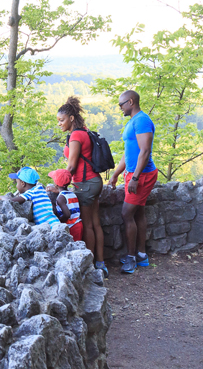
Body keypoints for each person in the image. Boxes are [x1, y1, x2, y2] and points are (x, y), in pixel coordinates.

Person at [57, 96, 108, 277]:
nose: (59, 124)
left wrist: (58, 184)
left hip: (84, 184)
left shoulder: (76, 135)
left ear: (71, 118)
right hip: (94, 181)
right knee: (96, 223)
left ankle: (92, 267)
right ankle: (101, 263)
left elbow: (71, 166)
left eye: (61, 120)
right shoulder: (84, 131)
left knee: (87, 225)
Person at [108, 90, 158, 274]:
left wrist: (135, 178)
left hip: (142, 174)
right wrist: (116, 174)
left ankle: (131, 259)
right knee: (138, 213)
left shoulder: (142, 120)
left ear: (130, 102)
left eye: (121, 104)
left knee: (126, 214)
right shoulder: (133, 122)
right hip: (135, 173)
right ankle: (142, 256)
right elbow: (129, 152)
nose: (119, 108)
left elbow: (144, 152)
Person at [46, 169, 83, 242]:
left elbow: (67, 214)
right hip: (78, 224)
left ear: (56, 185)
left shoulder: (61, 198)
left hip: (71, 226)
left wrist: (58, 221)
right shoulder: (72, 194)